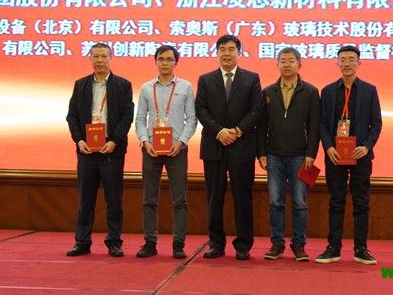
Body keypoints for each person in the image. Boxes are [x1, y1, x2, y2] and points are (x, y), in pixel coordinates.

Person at [195, 34, 262, 260]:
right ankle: (216, 243)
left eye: (231, 49)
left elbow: (256, 110)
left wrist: (237, 131)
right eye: (222, 49)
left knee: (243, 197)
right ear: (217, 53)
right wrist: (220, 131)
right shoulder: (206, 79)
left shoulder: (252, 79)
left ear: (239, 53)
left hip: (242, 146)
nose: (226, 53)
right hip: (214, 146)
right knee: (214, 197)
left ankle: (243, 245)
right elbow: (201, 110)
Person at [315, 45, 382, 265]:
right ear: (337, 63)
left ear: (359, 63)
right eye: (342, 59)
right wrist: (328, 147)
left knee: (361, 201)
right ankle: (333, 248)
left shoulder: (369, 90)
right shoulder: (327, 91)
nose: (347, 63)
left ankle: (361, 249)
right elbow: (322, 123)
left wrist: (366, 146)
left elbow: (376, 123)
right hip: (335, 155)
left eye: (351, 59)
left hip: (360, 154)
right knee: (336, 201)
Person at [66, 42, 134, 257]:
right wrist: (79, 140)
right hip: (87, 150)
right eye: (95, 56)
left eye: (104, 56)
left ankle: (114, 242)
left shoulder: (123, 85)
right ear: (90, 59)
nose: (100, 60)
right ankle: (82, 242)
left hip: (111, 151)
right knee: (85, 200)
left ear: (111, 58)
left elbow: (127, 117)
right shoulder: (81, 85)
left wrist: (114, 141)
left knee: (113, 200)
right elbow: (72, 116)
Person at [257, 47, 320, 262]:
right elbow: (261, 126)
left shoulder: (310, 92)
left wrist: (311, 153)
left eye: (291, 61)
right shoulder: (268, 92)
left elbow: (314, 126)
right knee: (275, 202)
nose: (287, 64)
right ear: (277, 64)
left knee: (300, 202)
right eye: (282, 61)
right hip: (273, 155)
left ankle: (299, 245)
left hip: (301, 156)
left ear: (299, 64)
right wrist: (261, 152)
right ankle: (277, 244)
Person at [134, 45, 197, 259]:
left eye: (169, 59)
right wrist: (145, 141)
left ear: (175, 62)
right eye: (161, 59)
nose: (165, 63)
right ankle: (150, 243)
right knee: (149, 199)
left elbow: (192, 119)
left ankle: (178, 244)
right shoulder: (146, 88)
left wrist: (181, 142)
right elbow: (140, 119)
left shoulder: (185, 87)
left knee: (179, 200)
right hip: (151, 150)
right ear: (156, 61)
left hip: (176, 150)